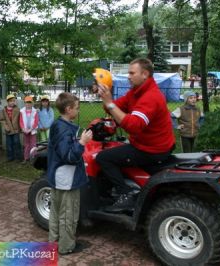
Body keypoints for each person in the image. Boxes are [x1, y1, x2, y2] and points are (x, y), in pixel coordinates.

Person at [95, 58, 175, 213]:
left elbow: (133, 126)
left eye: (132, 73)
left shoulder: (150, 97)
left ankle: (127, 195)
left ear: (144, 74)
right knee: (119, 150)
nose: (128, 76)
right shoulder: (136, 92)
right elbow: (113, 107)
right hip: (152, 144)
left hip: (151, 149)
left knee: (103, 158)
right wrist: (106, 97)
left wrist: (110, 103)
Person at [47, 92, 93, 255]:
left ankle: (54, 241)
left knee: (56, 210)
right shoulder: (64, 129)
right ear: (68, 109)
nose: (78, 111)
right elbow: (69, 156)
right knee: (68, 214)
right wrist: (82, 142)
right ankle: (66, 247)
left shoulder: (59, 125)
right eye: (77, 108)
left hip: (59, 178)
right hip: (67, 179)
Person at [0, 94, 22, 162]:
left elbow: (20, 118)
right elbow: (2, 119)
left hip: (16, 129)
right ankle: (10, 157)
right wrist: (6, 126)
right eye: (11, 101)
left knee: (17, 143)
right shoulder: (4, 110)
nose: (12, 102)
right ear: (7, 102)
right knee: (9, 144)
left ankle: (18, 157)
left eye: (14, 101)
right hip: (8, 130)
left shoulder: (17, 109)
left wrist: (20, 128)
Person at [19, 96, 38, 163]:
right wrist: (23, 129)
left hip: (32, 130)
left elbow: (36, 122)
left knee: (33, 144)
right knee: (26, 144)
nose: (28, 104)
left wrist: (31, 129)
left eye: (30, 103)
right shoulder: (22, 111)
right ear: (25, 103)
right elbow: (21, 121)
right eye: (27, 103)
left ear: (32, 103)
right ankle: (26, 157)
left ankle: (33, 157)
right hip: (25, 130)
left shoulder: (35, 111)